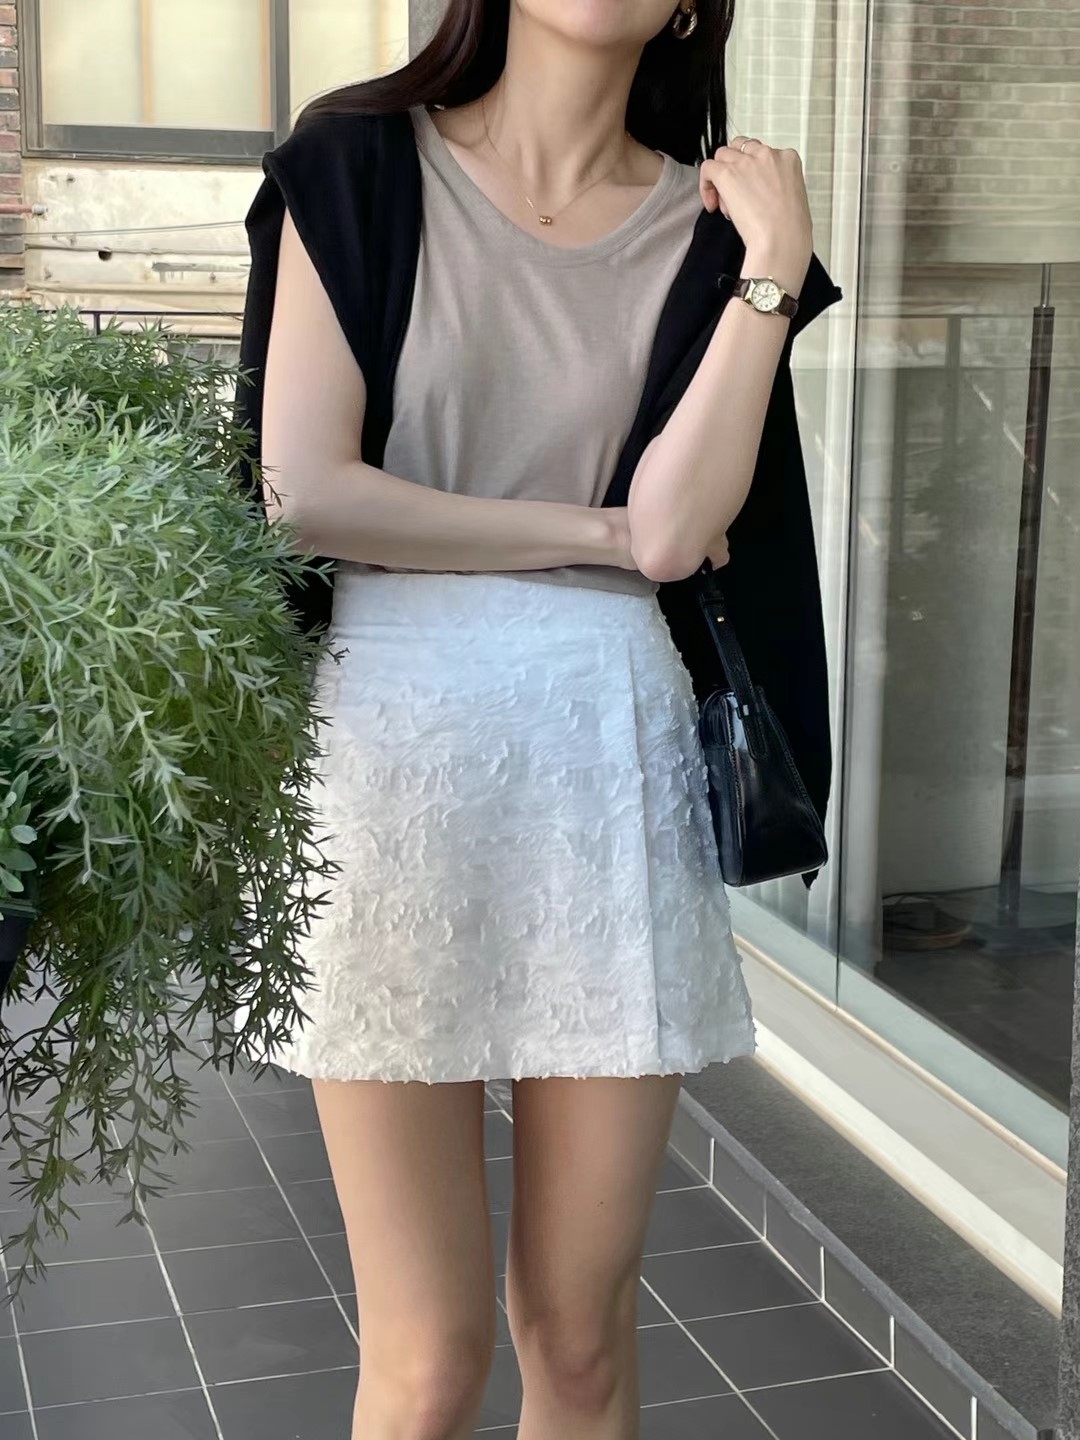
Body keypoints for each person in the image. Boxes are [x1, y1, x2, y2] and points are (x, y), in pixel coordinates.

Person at [249, 1, 822, 1435]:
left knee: (577, 1338)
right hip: (389, 752)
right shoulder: (357, 161)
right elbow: (308, 489)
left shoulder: (713, 231)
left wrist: (773, 272)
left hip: (606, 751)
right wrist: (588, 532)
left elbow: (677, 532)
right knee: (429, 1358)